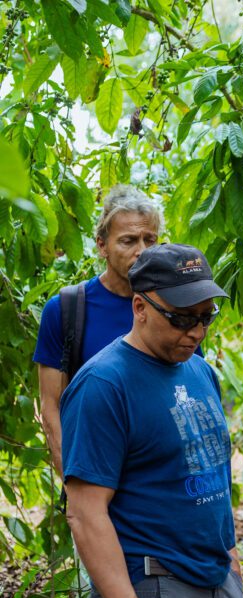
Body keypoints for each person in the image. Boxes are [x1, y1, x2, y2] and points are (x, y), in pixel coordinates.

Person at [61, 244, 243, 598]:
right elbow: (85, 513)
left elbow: (209, 464)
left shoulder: (200, 370)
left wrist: (229, 554)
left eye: (206, 317)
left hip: (216, 579)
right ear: (140, 306)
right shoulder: (104, 385)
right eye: (182, 318)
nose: (196, 332)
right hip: (156, 590)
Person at [35, 184, 162, 476]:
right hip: (95, 470)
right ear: (102, 245)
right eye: (128, 241)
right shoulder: (65, 310)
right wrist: (76, 486)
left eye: (149, 240)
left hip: (158, 478)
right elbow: (51, 408)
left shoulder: (172, 307)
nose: (141, 251)